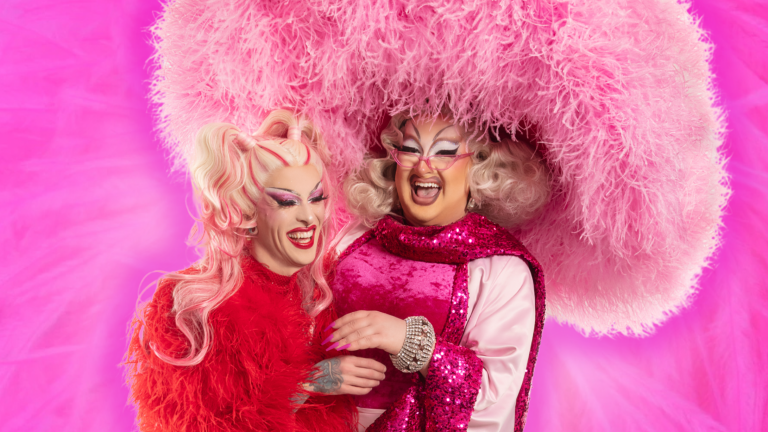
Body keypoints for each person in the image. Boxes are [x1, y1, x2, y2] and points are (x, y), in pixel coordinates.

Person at [125, 110, 387, 432]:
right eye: (287, 202)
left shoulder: (327, 293)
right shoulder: (198, 307)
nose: (309, 217)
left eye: (317, 199)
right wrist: (312, 383)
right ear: (247, 213)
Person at [324, 112, 550, 431]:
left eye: (444, 152)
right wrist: (313, 379)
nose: (423, 166)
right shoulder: (352, 238)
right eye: (411, 150)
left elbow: (492, 398)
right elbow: (296, 331)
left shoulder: (502, 269)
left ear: (479, 169)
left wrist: (413, 343)